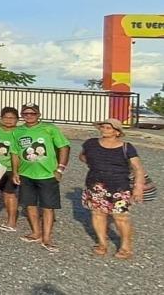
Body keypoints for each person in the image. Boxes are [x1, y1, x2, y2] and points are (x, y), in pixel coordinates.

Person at [80, 119, 146, 259]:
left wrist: (138, 188)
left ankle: (126, 247)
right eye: (103, 127)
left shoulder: (127, 147)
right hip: (95, 185)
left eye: (108, 128)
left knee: (121, 217)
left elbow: (138, 168)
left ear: (117, 132)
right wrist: (96, 164)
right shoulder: (90, 143)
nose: (104, 129)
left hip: (119, 187)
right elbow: (82, 156)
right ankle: (102, 244)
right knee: (97, 213)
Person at [11, 103, 70, 253]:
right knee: (29, 204)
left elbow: (64, 147)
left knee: (47, 206)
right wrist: (15, 172)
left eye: (32, 113)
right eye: (26, 113)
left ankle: (47, 238)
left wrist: (60, 168)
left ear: (38, 114)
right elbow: (15, 153)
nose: (29, 116)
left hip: (47, 174)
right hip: (26, 174)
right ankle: (36, 233)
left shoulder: (49, 128)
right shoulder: (17, 131)